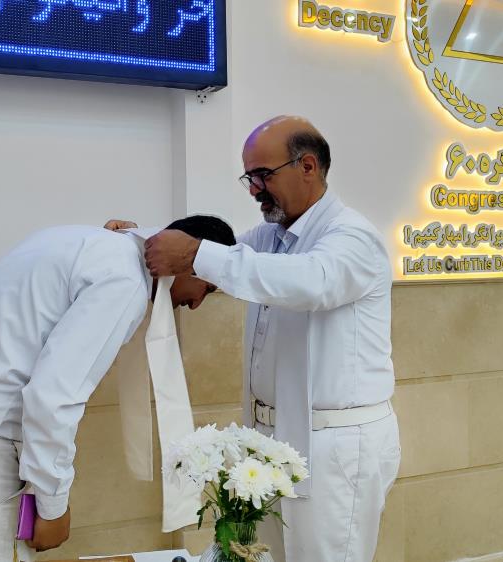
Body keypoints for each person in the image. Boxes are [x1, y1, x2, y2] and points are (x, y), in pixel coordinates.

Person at [107, 116, 400, 562]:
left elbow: (308, 282)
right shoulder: (273, 238)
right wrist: (136, 239)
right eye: (249, 177)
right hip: (273, 440)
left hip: (335, 448)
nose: (254, 190)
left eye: (263, 175)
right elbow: (223, 255)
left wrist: (195, 254)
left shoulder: (352, 237)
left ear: (307, 166)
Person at [0, 216, 236, 562]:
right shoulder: (125, 279)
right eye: (207, 288)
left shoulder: (78, 240)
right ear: (190, 265)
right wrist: (53, 506)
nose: (196, 303)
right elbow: (53, 398)